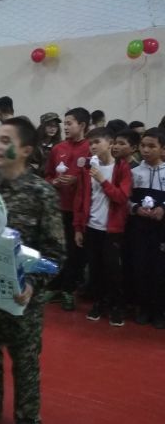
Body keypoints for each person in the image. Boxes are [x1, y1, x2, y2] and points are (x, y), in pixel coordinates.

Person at [0, 117, 65, 424]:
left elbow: (55, 253)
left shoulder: (42, 193)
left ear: (26, 150)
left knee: (24, 361)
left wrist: (32, 284)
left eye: (5, 140)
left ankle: (27, 420)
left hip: (23, 298)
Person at [73, 127, 131, 326]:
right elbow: (80, 198)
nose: (93, 146)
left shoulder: (122, 167)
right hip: (91, 227)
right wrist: (78, 227)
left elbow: (121, 197)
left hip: (112, 229)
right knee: (95, 269)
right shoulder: (88, 167)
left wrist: (102, 180)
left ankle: (116, 306)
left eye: (97, 142)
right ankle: (99, 303)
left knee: (113, 270)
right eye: (90, 143)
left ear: (110, 143)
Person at [44, 107, 91, 311]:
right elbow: (47, 175)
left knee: (76, 252)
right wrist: (54, 182)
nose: (65, 127)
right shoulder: (58, 148)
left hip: (79, 210)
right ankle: (54, 286)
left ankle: (69, 290)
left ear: (82, 125)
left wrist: (77, 180)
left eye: (69, 123)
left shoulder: (90, 148)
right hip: (58, 207)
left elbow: (95, 177)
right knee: (57, 249)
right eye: (64, 123)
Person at [127, 128, 165, 328]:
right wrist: (135, 208)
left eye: (152, 146)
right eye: (143, 146)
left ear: (163, 149)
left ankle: (159, 310)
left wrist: (163, 208)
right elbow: (124, 200)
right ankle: (143, 308)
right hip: (139, 228)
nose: (146, 150)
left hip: (161, 230)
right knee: (140, 267)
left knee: (159, 269)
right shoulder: (134, 173)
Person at [30, 113, 62, 177]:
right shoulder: (34, 144)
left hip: (53, 179)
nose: (53, 129)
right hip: (36, 178)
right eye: (49, 125)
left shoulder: (59, 145)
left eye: (55, 126)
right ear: (43, 126)